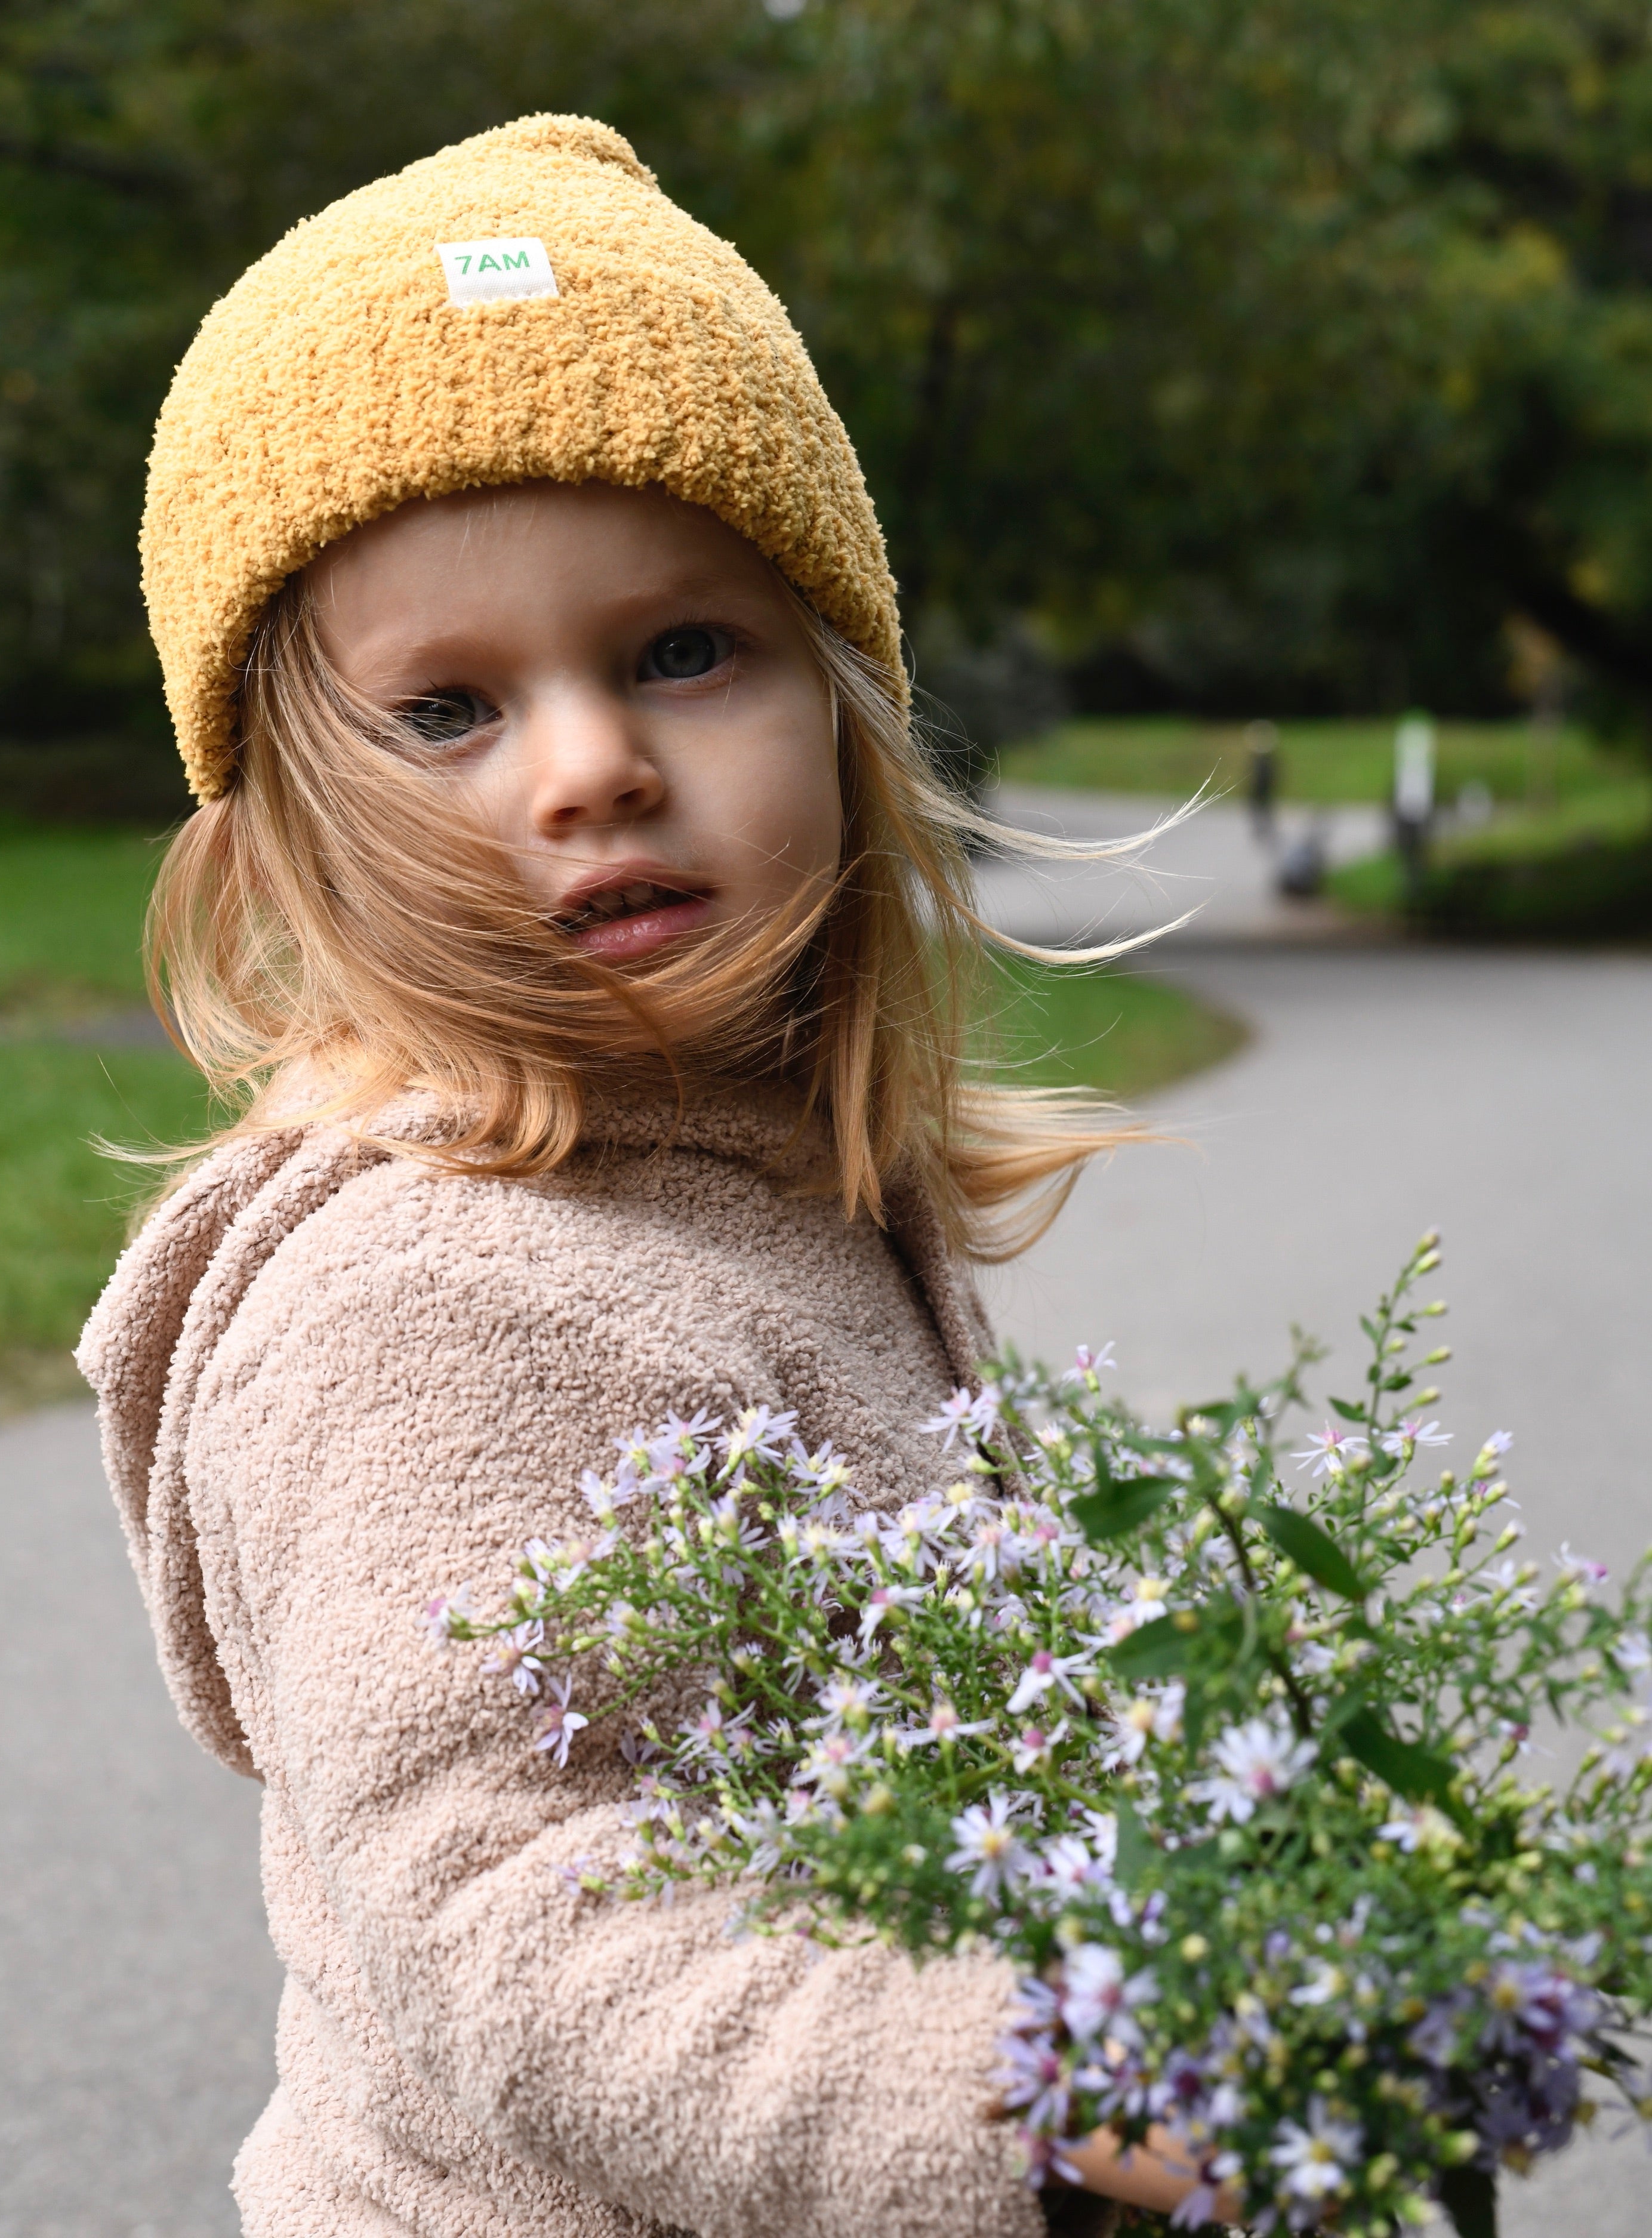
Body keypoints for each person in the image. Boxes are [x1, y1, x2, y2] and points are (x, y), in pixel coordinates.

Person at [78, 115, 1225, 2238]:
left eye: (682, 652)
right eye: (445, 707)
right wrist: (1040, 2086)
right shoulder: (429, 1299)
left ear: (846, 706)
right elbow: (519, 1913)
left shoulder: (753, 1174)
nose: (593, 762)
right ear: (281, 844)